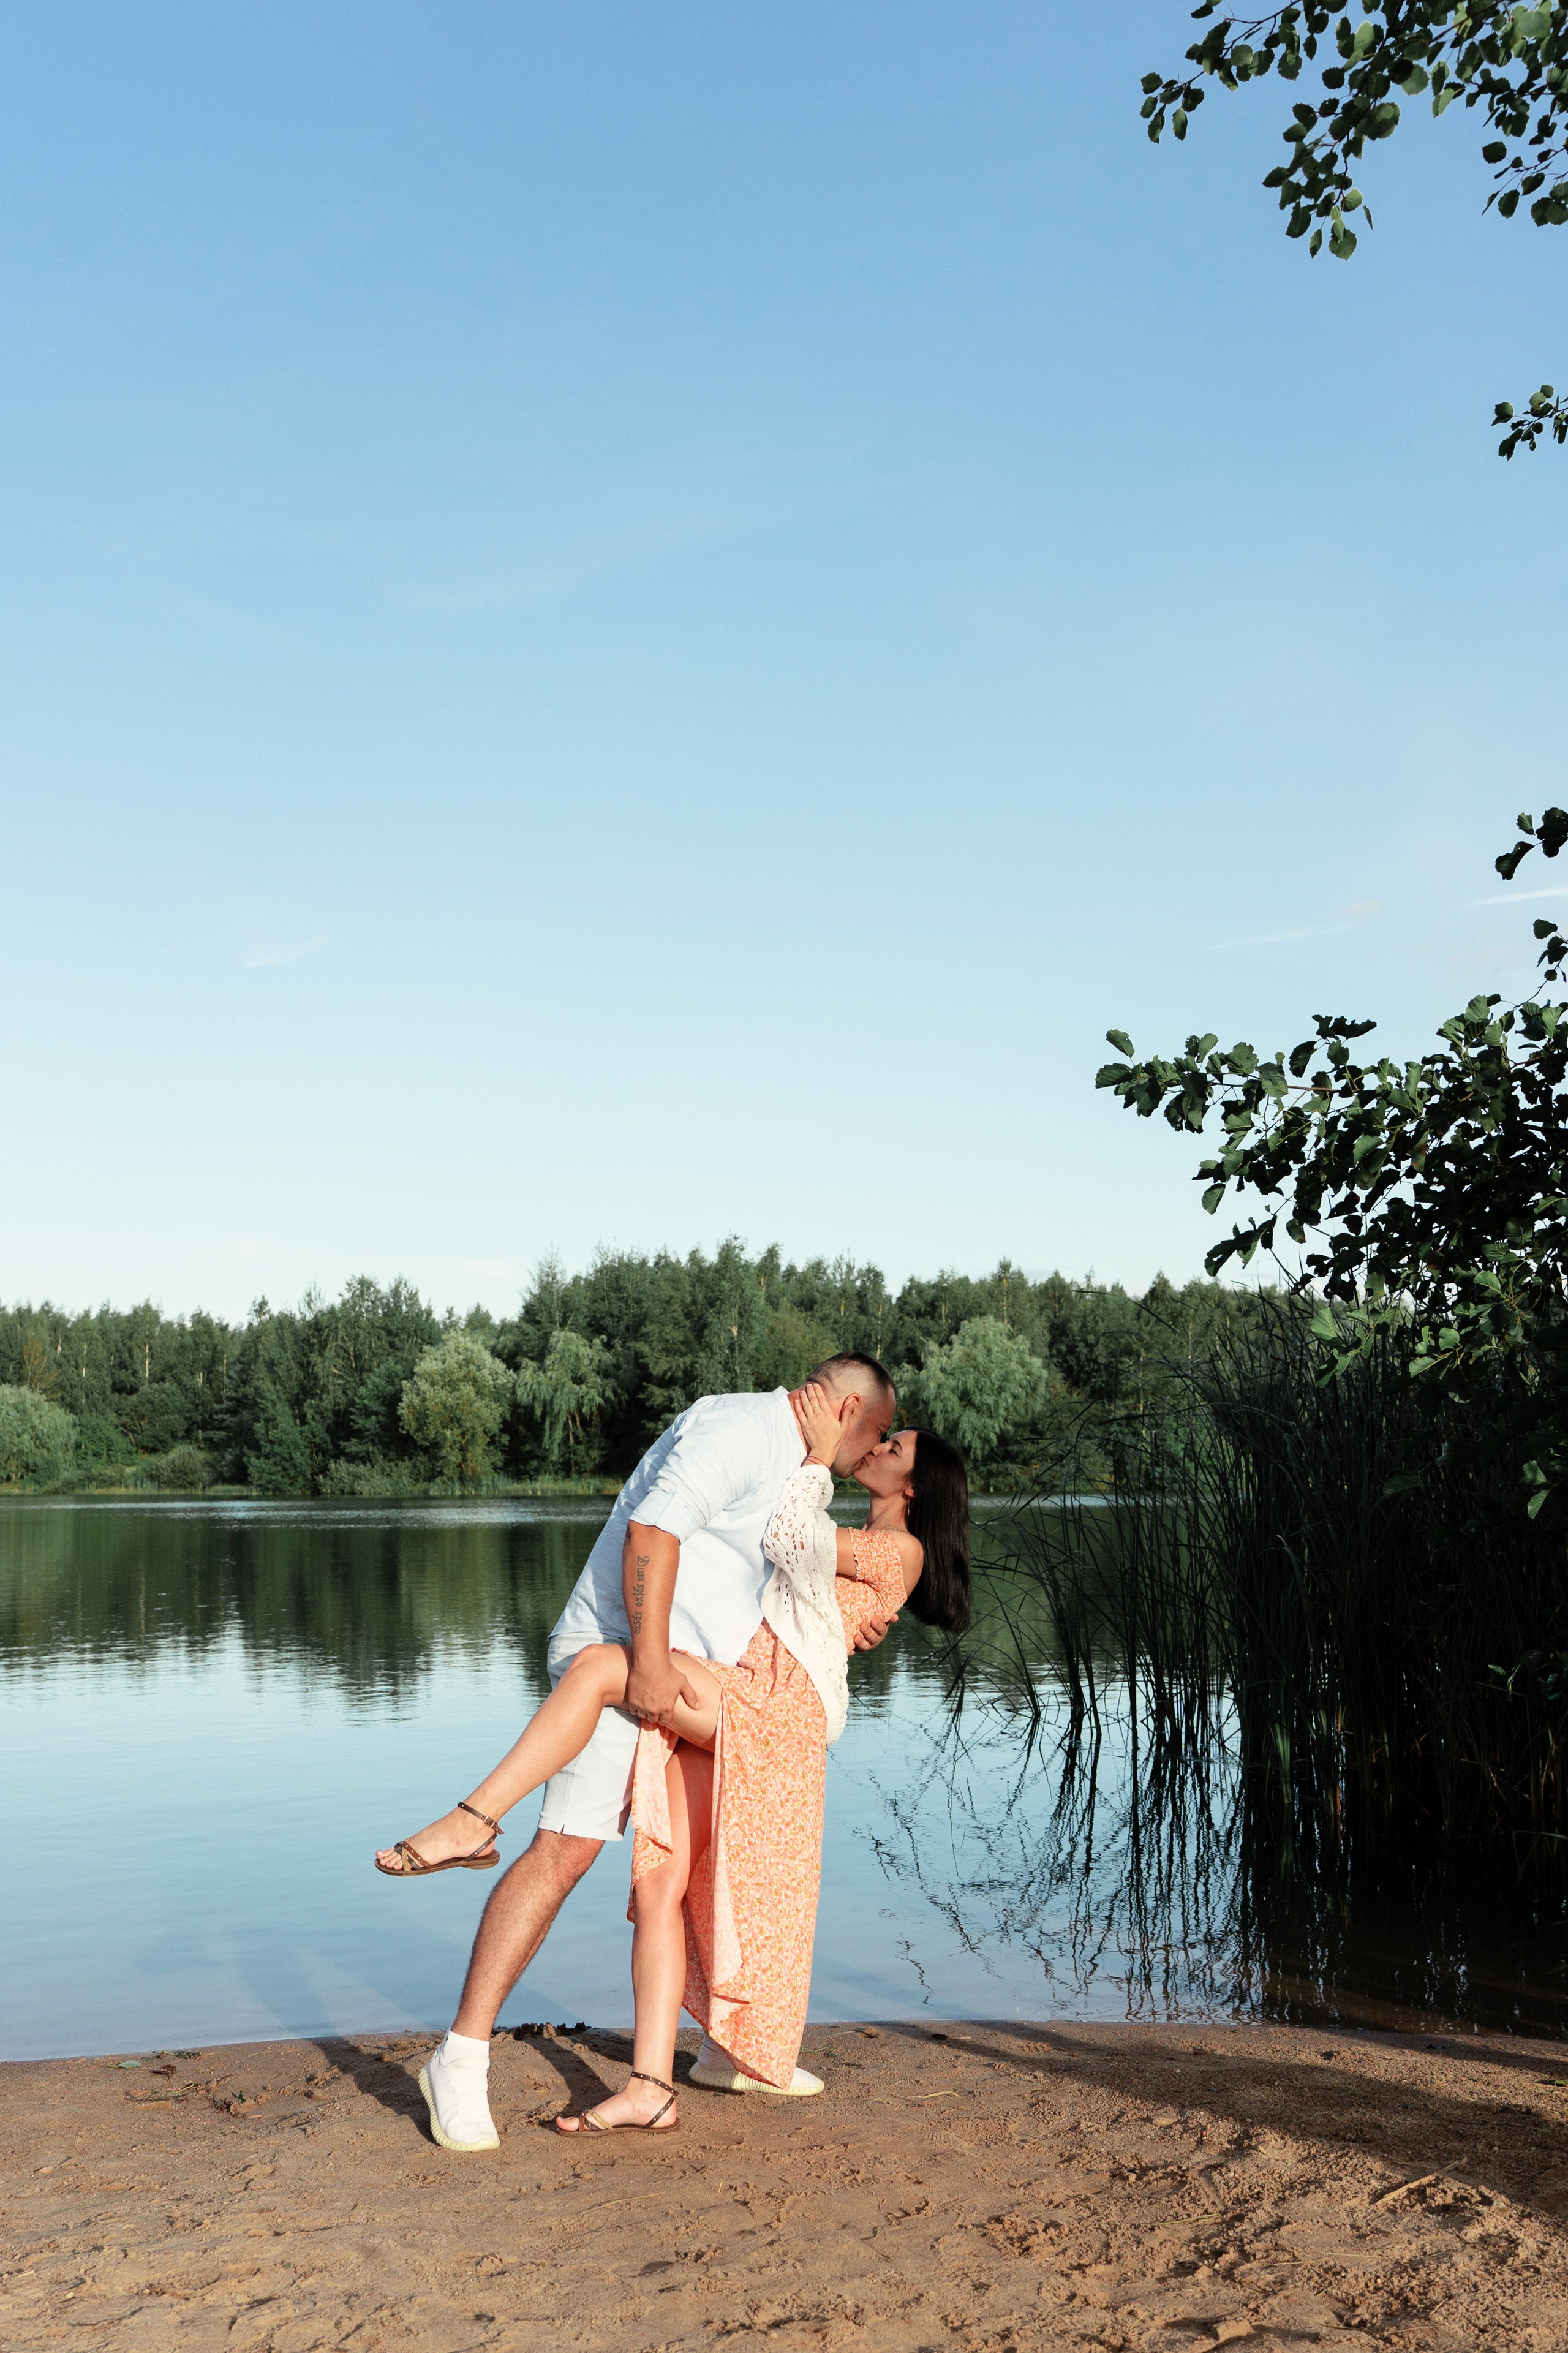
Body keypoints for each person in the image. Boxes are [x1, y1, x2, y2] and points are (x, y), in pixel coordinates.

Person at [379, 1355, 899, 2153]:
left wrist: (844, 1611)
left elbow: (774, 1567)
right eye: (877, 1432)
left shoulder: (784, 1458)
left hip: (690, 1679)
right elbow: (652, 1530)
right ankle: (461, 2051)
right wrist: (650, 1660)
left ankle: (695, 2067)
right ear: (851, 1405)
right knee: (564, 1853)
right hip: (632, 1659)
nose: (872, 1449)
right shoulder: (743, 1429)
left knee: (677, 1876)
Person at [555, 1387, 971, 2134]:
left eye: (893, 1447)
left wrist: (814, 1454)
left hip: (771, 1714)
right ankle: (682, 2070)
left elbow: (787, 1534)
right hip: (743, 1694)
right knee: (667, 1880)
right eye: (880, 1437)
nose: (875, 1447)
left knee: (605, 1671)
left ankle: (477, 1813)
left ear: (914, 1486)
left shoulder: (898, 1550)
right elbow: (780, 1562)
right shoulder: (856, 1541)